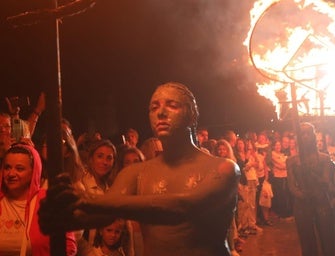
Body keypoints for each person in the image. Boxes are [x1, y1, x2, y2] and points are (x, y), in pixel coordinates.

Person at [39, 82, 240, 256]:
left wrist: (86, 199)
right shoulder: (136, 173)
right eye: (154, 107)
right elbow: (104, 214)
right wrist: (63, 217)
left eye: (172, 105)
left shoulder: (223, 168)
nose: (161, 112)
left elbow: (183, 206)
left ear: (192, 115)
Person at [0, 144, 77, 255]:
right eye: (7, 167)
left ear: (34, 171)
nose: (11, 174)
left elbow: (68, 247)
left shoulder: (49, 202)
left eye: (19, 168)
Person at [287, 122, 335, 256]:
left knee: (328, 239)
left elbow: (326, 182)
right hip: (302, 204)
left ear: (314, 136)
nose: (305, 137)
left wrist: (311, 172)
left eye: (308, 133)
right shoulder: (292, 161)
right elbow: (291, 186)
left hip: (321, 202)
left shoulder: (324, 158)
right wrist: (302, 195)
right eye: (302, 134)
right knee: (307, 241)